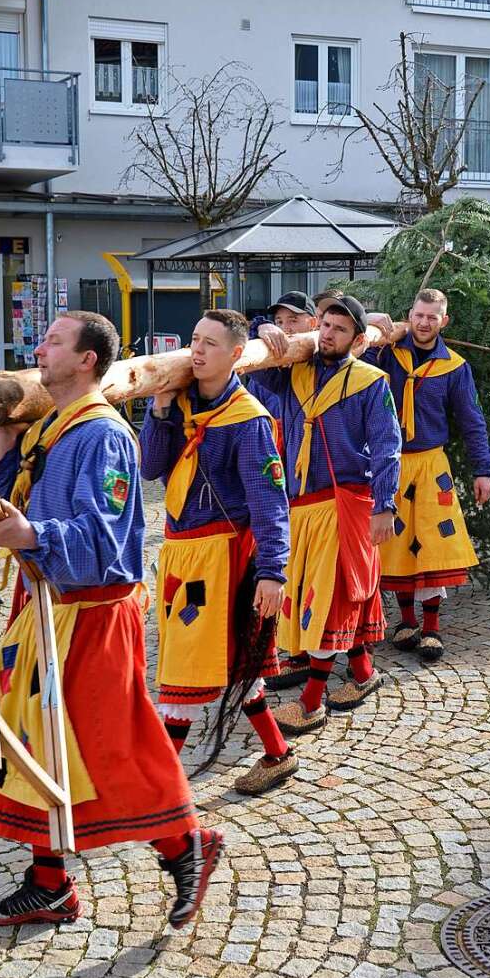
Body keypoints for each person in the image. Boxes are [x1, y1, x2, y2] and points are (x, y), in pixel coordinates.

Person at [0, 311, 223, 930]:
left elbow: (103, 537)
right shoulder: (50, 426)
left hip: (95, 614)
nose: (40, 349)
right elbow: (8, 503)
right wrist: (1, 449)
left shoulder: (103, 436)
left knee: (110, 745)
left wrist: (33, 532)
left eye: (54, 341)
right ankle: (49, 883)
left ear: (87, 360)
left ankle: (187, 846)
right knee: (36, 745)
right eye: (42, 339)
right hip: (46, 607)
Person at [140, 309, 297, 796]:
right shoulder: (181, 403)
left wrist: (273, 571)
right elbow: (149, 466)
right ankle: (277, 752)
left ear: (234, 355)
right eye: (193, 339)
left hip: (223, 558)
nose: (197, 351)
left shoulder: (248, 421)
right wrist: (161, 409)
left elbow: (269, 500)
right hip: (180, 550)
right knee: (230, 660)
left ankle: (158, 784)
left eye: (210, 343)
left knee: (187, 665)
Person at [247, 295, 401, 733]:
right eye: (326, 326)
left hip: (345, 503)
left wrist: (384, 505)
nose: (329, 335)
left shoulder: (371, 382)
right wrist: (263, 327)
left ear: (356, 339)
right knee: (318, 593)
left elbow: (387, 446)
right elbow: (251, 363)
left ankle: (312, 701)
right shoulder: (293, 374)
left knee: (332, 595)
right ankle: (365, 674)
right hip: (300, 504)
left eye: (340, 329)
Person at [366, 289, 490, 661]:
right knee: (396, 542)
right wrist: (373, 323)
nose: (424, 323)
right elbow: (353, 355)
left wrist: (482, 470)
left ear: (444, 321)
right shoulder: (386, 354)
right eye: (419, 315)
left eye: (432, 317)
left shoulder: (454, 366)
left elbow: (472, 421)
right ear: (411, 315)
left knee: (433, 543)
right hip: (389, 462)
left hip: (431, 464)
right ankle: (406, 621)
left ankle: (432, 628)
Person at [248, 291, 320, 690]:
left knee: (309, 574)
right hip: (272, 476)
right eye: (282, 319)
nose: (287, 328)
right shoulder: (272, 363)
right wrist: (262, 324)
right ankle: (290, 649)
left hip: (315, 487)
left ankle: (312, 654)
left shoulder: (323, 361)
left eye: (295, 320)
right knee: (282, 568)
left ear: (313, 324)